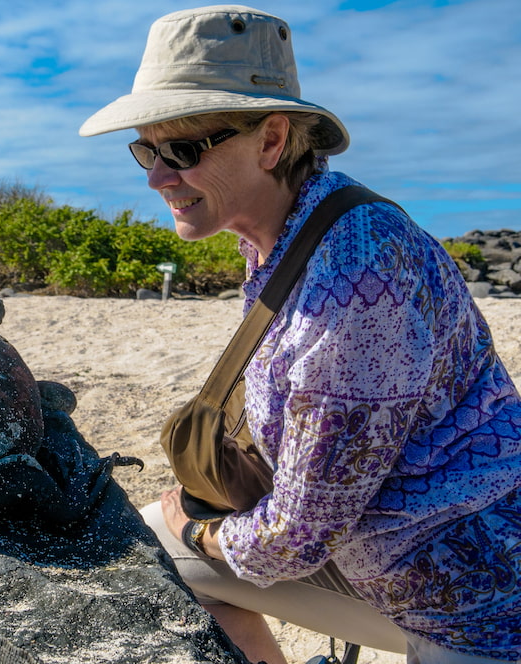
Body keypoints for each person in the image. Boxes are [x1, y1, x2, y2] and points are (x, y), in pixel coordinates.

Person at [80, 6, 521, 664]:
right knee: (149, 551)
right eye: (146, 149)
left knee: (169, 540)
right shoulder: (280, 235)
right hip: (384, 559)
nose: (156, 176)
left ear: (271, 141)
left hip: (476, 598)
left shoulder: (354, 273)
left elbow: (299, 536)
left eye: (183, 150)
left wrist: (198, 533)